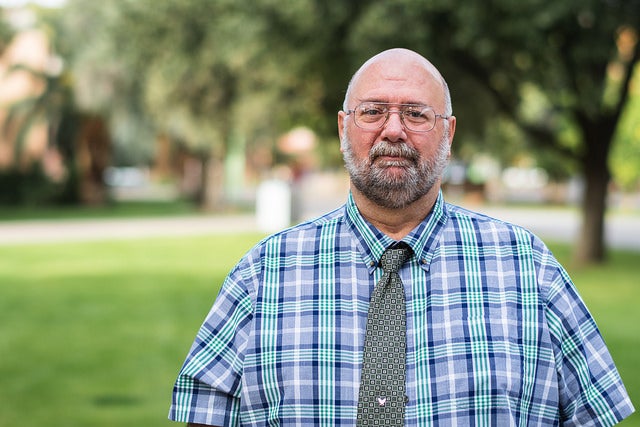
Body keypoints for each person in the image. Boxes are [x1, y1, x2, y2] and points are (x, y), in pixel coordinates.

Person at [169, 48, 635, 426]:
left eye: (416, 114)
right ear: (342, 128)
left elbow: (596, 411)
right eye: (372, 112)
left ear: (448, 133)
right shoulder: (261, 275)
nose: (393, 130)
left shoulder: (528, 268)